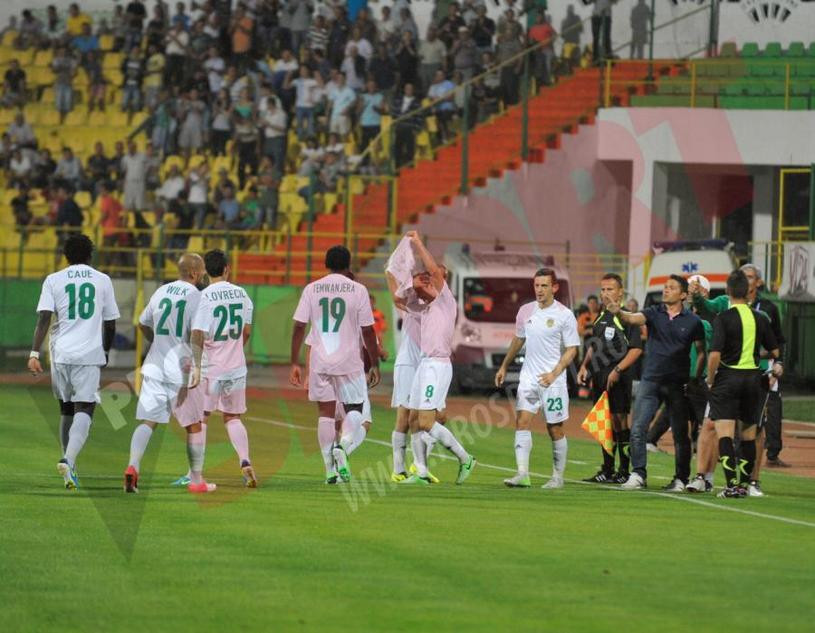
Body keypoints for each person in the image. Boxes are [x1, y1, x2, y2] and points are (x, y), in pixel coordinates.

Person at [27, 234, 120, 490]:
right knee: (85, 408)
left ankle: (70, 469)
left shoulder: (53, 279)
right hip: (88, 353)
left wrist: (34, 354)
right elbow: (110, 323)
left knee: (66, 408)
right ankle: (68, 459)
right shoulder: (102, 280)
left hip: (60, 353)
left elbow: (44, 318)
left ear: (65, 256)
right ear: (90, 255)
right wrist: (105, 351)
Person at [289, 245, 381, 483]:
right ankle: (343, 447)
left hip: (320, 361)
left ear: (326, 264)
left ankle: (329, 470)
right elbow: (368, 331)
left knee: (325, 414)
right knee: (355, 408)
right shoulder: (358, 290)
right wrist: (375, 364)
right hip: (349, 362)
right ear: (348, 265)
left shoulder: (312, 289)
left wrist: (294, 362)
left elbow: (299, 326)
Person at [125, 253, 216, 494]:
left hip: (155, 365)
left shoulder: (161, 291)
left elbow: (142, 323)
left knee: (148, 421)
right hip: (181, 369)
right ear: (194, 273)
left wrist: (158, 342)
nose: (204, 274)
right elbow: (197, 333)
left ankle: (133, 466)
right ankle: (196, 480)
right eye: (202, 270)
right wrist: (198, 366)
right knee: (194, 425)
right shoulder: (197, 297)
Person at [607, 275, 706, 491]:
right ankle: (638, 474)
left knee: (680, 434)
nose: (666, 290)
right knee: (638, 428)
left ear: (683, 295)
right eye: (665, 287)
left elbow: (701, 352)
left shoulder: (693, 321)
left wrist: (695, 378)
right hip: (650, 380)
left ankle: (681, 479)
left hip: (677, 384)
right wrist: (619, 312)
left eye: (671, 287)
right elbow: (633, 319)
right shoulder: (654, 312)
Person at [396, 231, 476, 486]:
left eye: (434, 278)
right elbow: (398, 299)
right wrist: (409, 280)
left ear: (442, 282)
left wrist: (418, 244)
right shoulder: (425, 308)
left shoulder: (446, 301)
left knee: (427, 422)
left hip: (438, 366)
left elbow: (433, 270)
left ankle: (465, 458)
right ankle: (421, 471)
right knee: (413, 419)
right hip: (424, 365)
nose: (430, 279)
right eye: (429, 279)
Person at [496, 268, 580, 488]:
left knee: (554, 428)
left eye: (544, 285)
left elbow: (572, 349)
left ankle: (557, 477)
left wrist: (554, 373)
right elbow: (518, 339)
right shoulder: (525, 311)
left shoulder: (564, 314)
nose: (539, 290)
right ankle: (522, 474)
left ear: (554, 288)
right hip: (529, 378)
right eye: (536, 285)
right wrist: (504, 366)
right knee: (522, 421)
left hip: (553, 381)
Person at [707, 270, 781, 498]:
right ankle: (744, 485)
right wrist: (761, 356)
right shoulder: (760, 318)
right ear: (748, 292)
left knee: (725, 434)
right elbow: (775, 351)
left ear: (728, 291)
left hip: (728, 378)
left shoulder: (723, 318)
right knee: (749, 435)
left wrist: (710, 379)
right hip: (753, 381)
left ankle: (731, 486)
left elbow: (714, 354)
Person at [188, 249, 257, 488]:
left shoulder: (203, 297)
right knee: (233, 417)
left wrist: (197, 366)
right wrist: (234, 349)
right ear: (227, 268)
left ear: (205, 271)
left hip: (211, 368)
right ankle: (245, 460)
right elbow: (246, 331)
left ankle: (194, 472)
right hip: (236, 367)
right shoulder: (242, 294)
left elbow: (197, 334)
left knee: (201, 418)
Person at [578, 273, 643, 484]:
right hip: (599, 376)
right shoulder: (601, 316)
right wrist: (584, 365)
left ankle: (624, 470)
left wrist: (618, 369)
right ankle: (607, 469)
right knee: (603, 423)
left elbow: (636, 349)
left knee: (619, 421)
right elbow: (594, 345)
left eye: (610, 289)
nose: (605, 294)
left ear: (620, 292)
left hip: (619, 377)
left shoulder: (628, 317)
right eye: (603, 289)